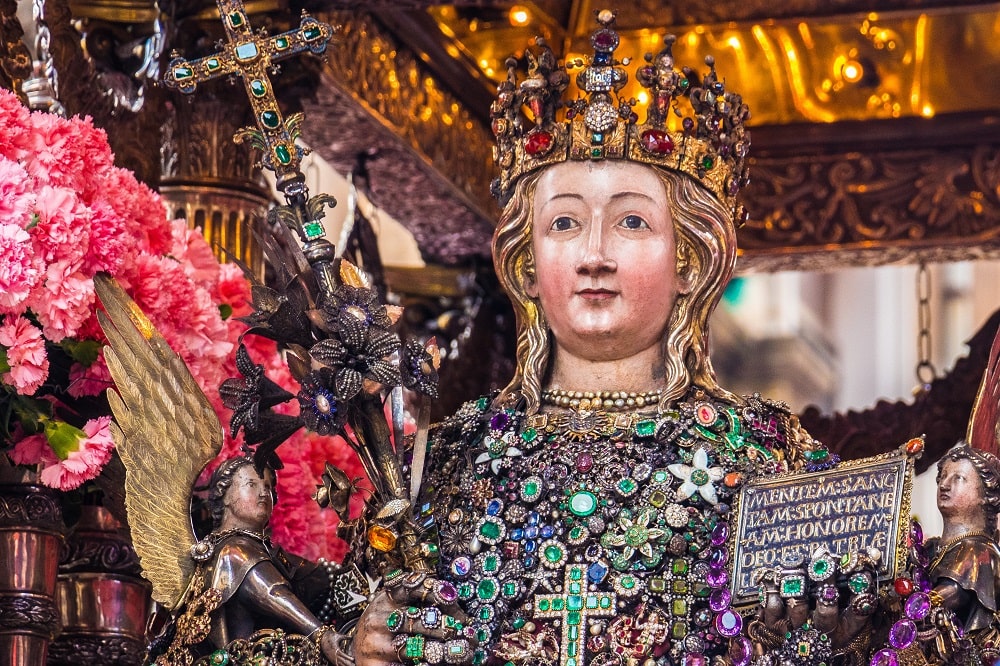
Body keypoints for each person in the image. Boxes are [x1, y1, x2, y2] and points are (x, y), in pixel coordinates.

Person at [352, 11, 846, 666]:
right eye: (563, 223)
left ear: (689, 263)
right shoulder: (438, 467)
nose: (593, 254)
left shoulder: (769, 461)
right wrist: (360, 645)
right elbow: (352, 619)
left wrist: (820, 636)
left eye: (632, 222)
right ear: (527, 263)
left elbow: (883, 635)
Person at [152, 456, 353, 666]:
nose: (264, 492)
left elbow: (319, 580)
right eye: (251, 484)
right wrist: (322, 635)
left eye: (267, 486)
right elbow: (273, 593)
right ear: (225, 495)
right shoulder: (233, 551)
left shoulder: (270, 553)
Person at [925, 445, 1000, 656]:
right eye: (943, 477)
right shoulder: (929, 549)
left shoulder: (979, 550)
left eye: (958, 478)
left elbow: (951, 594)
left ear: (985, 495)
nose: (944, 485)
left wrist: (913, 601)